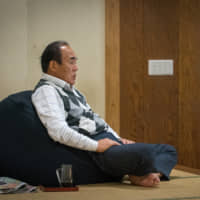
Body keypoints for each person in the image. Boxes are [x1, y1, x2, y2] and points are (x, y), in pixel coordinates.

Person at [32, 41, 177, 187]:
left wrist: (117, 138)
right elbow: (58, 131)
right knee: (145, 152)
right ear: (53, 65)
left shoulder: (73, 91)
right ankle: (141, 172)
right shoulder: (46, 91)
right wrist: (96, 146)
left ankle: (143, 173)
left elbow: (95, 121)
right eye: (71, 62)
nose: (76, 68)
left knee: (169, 150)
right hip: (95, 151)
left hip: (108, 142)